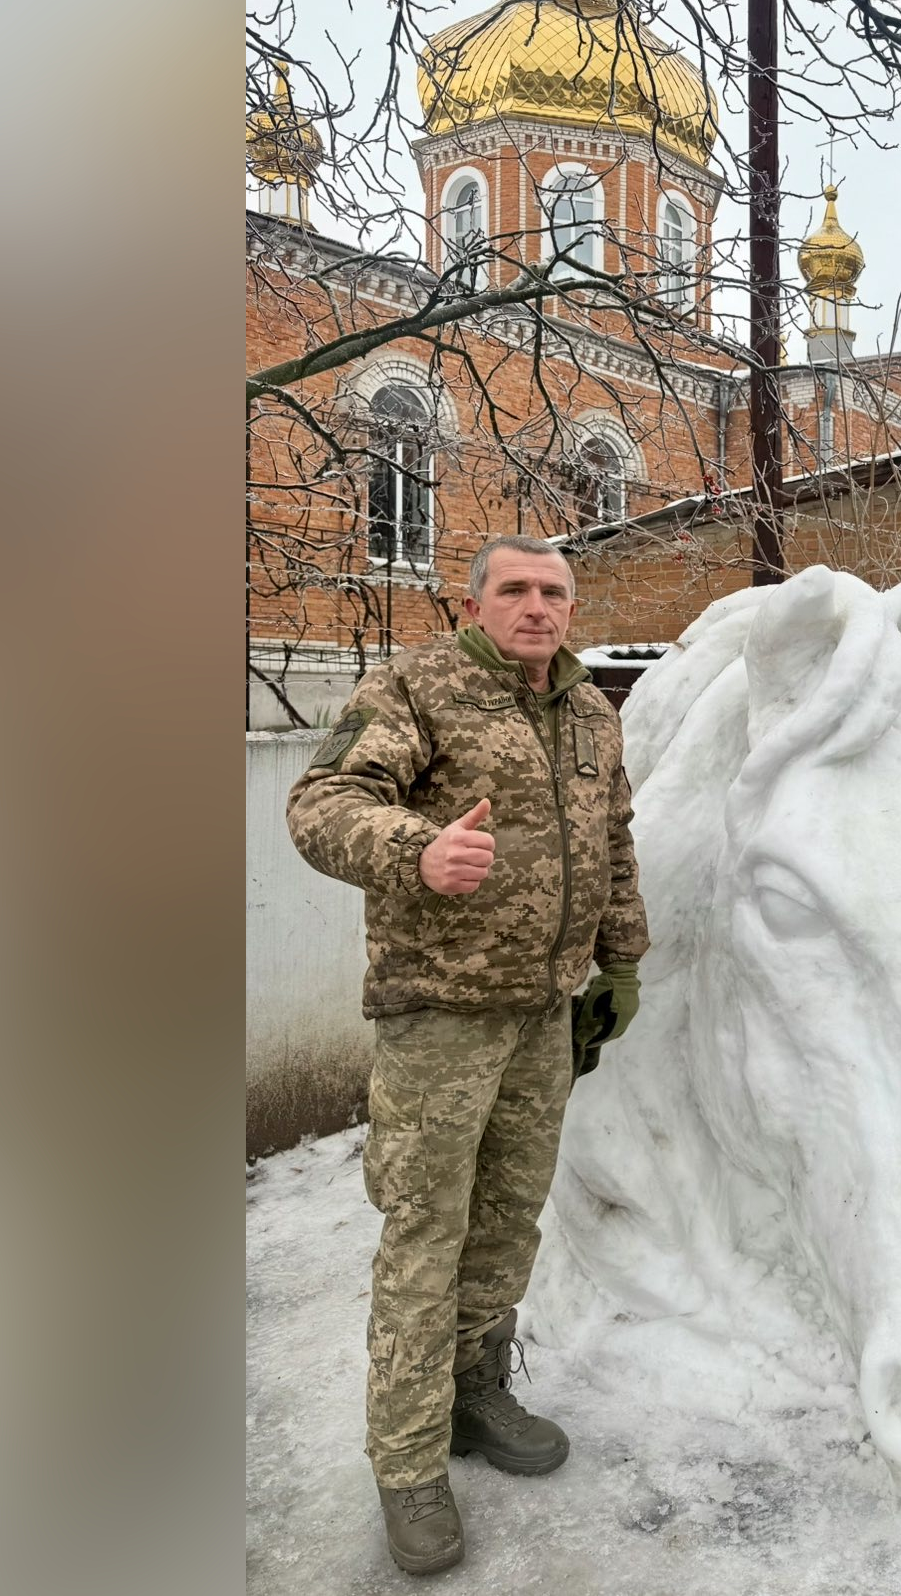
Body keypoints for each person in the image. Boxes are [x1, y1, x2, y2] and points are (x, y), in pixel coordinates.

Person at [286, 536, 647, 1575]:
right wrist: (419, 850)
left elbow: (614, 840)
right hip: (439, 1014)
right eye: (516, 590)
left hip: (541, 1011)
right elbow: (322, 807)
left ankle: (474, 1395)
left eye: (554, 592)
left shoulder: (587, 711)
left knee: (504, 1219)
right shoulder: (417, 686)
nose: (537, 607)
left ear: (571, 606)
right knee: (424, 1231)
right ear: (477, 600)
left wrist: (621, 962)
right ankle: (406, 1464)